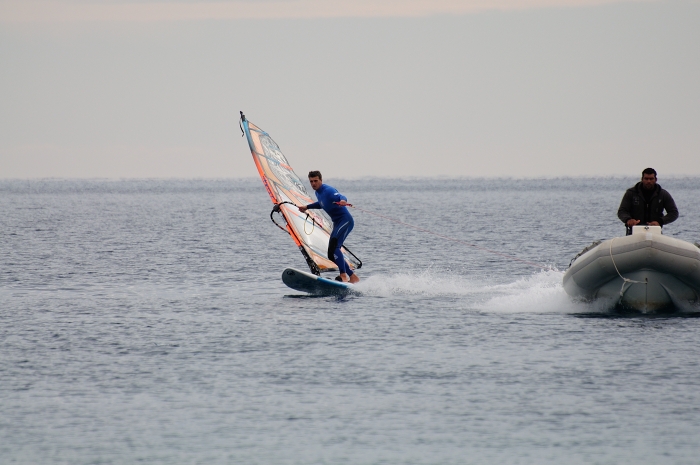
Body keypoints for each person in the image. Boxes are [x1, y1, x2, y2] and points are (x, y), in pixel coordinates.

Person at [298, 171, 360, 283]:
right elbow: (321, 204)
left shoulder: (328, 190)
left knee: (335, 246)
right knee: (331, 255)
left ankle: (343, 276)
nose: (313, 183)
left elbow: (341, 195)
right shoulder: (318, 193)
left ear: (321, 180)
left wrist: (343, 201)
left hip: (345, 221)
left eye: (316, 181)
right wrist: (307, 207)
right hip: (337, 223)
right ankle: (353, 277)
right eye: (311, 181)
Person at [617, 168, 678, 235]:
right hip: (634, 231)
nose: (648, 181)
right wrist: (628, 220)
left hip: (655, 231)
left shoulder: (663, 194)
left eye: (651, 179)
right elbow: (622, 211)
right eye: (646, 179)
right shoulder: (631, 193)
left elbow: (674, 213)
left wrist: (660, 221)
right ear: (642, 179)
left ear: (656, 179)